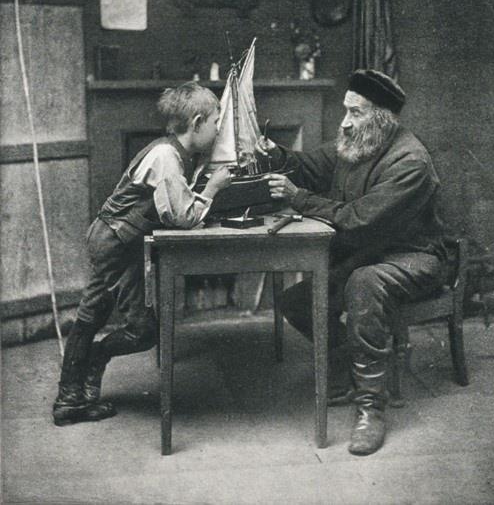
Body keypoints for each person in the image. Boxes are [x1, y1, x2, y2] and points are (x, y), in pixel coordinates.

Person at [256, 69, 445, 456]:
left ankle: (371, 409)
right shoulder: (357, 141)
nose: (344, 121)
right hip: (369, 254)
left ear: (379, 118)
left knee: (364, 283)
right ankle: (347, 373)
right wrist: (274, 154)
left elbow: (360, 219)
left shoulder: (410, 161)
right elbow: (308, 166)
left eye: (355, 113)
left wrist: (299, 199)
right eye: (346, 110)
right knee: (296, 301)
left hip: (415, 257)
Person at [53, 82, 231, 426]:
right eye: (215, 122)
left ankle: (69, 400)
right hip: (115, 243)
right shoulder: (166, 157)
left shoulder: (172, 151)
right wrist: (212, 188)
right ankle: (89, 370)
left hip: (114, 240)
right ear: (196, 123)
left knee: (94, 315)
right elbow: (182, 217)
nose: (218, 129)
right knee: (140, 330)